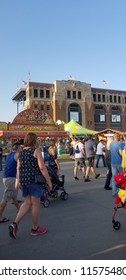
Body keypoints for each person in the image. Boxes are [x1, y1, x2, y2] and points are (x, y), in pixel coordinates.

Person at [8, 132, 52, 239]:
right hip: (34, 181)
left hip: (25, 181)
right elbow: (42, 168)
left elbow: (18, 168)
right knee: (35, 205)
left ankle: (14, 224)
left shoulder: (20, 153)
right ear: (34, 140)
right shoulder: (36, 151)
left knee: (27, 203)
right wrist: (49, 181)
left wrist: (18, 182)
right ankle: (35, 228)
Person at [0, 142, 21, 223]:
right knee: (5, 198)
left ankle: (19, 209)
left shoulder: (9, 154)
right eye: (20, 147)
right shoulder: (17, 155)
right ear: (18, 148)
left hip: (6, 177)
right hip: (10, 179)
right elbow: (20, 167)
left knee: (14, 195)